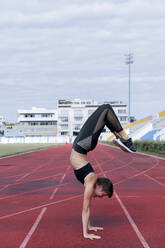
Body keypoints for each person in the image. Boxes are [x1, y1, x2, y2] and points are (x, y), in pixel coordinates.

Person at [70, 104, 136, 240]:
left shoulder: (90, 181)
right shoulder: (91, 180)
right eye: (103, 195)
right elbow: (85, 209)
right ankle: (126, 139)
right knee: (105, 109)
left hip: (82, 144)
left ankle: (123, 139)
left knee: (105, 115)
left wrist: (90, 226)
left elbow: (88, 208)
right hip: (83, 144)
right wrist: (86, 233)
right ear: (99, 187)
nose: (100, 197)